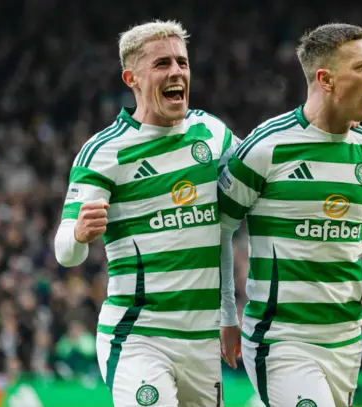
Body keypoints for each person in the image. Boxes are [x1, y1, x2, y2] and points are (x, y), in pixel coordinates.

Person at [218, 23, 362, 407]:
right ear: (325, 79)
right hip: (280, 339)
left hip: (345, 341)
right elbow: (219, 230)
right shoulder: (265, 148)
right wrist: (226, 315)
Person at [54, 20, 241, 407]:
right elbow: (65, 253)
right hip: (139, 337)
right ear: (131, 78)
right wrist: (78, 234)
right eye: (162, 64)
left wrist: (332, 125)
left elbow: (264, 172)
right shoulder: (105, 152)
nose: (176, 72)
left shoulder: (213, 134)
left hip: (202, 344)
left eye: (182, 63)